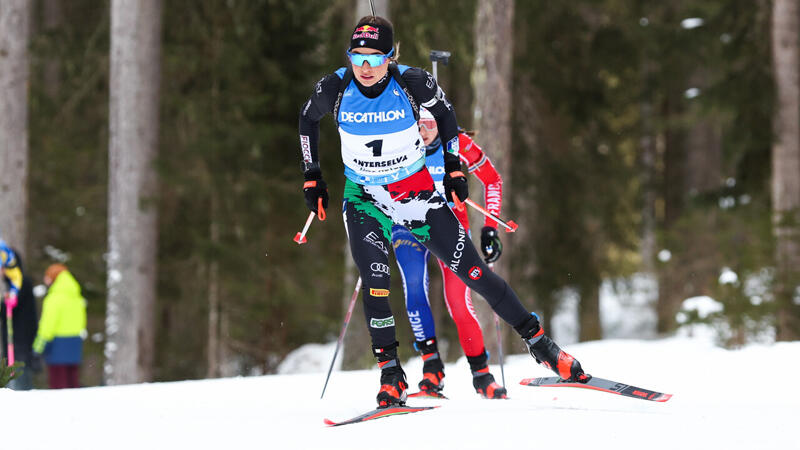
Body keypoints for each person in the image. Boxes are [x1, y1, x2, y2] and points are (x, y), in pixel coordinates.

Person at [299, 15, 588, 407]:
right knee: (377, 282)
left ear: (391, 56)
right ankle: (391, 376)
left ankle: (542, 345)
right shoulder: (335, 87)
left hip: (416, 196)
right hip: (365, 197)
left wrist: (453, 166)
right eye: (357, 57)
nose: (365, 67)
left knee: (475, 275)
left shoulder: (413, 82)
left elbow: (448, 117)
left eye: (375, 57)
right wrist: (312, 174)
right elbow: (306, 120)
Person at [392, 107, 507, 399]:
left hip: (451, 228)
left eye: (429, 125)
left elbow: (492, 180)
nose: (423, 133)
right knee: (414, 288)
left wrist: (490, 228)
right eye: (416, 126)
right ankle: (432, 368)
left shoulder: (458, 144)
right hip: (408, 227)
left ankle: (482, 374)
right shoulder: (398, 144)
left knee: (458, 301)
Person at [33, 263, 87, 389]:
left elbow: (47, 325)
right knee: (72, 382)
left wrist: (38, 347)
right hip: (75, 342)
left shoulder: (54, 298)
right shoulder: (76, 296)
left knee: (58, 384)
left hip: (57, 345)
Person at [0, 245, 39, 390]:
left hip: (19, 344)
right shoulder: (15, 285)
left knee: (20, 385)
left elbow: (8, 310)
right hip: (17, 343)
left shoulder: (20, 283)